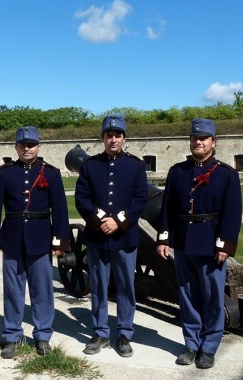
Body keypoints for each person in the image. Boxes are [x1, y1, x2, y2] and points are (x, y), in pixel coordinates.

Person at [156, 118, 242, 369]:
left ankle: (209, 347)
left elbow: (232, 211)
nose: (198, 142)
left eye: (203, 139)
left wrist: (225, 245)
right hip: (183, 241)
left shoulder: (226, 174)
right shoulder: (177, 172)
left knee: (213, 297)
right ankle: (191, 344)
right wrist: (163, 237)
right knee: (188, 296)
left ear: (213, 143)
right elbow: (167, 208)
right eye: (195, 138)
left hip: (211, 243)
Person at [0, 126, 69, 359]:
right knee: (13, 290)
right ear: (16, 147)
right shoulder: (4, 173)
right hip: (11, 238)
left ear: (39, 146)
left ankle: (42, 335)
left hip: (41, 238)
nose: (27, 148)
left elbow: (60, 209)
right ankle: (12, 335)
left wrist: (60, 241)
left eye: (31, 144)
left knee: (42, 290)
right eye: (22, 145)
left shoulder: (50, 173)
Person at [74, 114, 149, 358]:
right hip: (97, 237)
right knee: (98, 286)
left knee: (126, 286)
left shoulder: (136, 166)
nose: (113, 140)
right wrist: (99, 221)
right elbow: (82, 199)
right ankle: (101, 332)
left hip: (124, 238)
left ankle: (124, 333)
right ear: (103, 138)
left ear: (124, 138)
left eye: (117, 135)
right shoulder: (89, 166)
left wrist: (118, 221)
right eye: (109, 135)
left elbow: (140, 200)